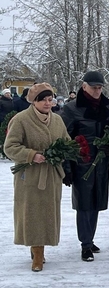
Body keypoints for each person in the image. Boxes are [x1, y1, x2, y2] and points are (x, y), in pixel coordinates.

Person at [3, 83, 70, 272]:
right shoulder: (21, 120)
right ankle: (37, 254)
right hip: (31, 177)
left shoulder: (57, 120)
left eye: (51, 100)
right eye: (44, 100)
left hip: (51, 175)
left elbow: (66, 141)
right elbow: (10, 147)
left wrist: (63, 152)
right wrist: (32, 155)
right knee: (34, 215)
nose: (49, 104)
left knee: (48, 214)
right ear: (34, 101)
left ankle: (40, 248)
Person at [60, 70, 109, 262]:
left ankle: (90, 238)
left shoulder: (108, 108)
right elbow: (63, 138)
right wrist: (66, 168)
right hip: (81, 162)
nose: (97, 91)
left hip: (100, 162)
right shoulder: (71, 109)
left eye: (100, 88)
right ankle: (85, 244)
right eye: (94, 87)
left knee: (96, 201)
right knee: (84, 203)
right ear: (84, 86)